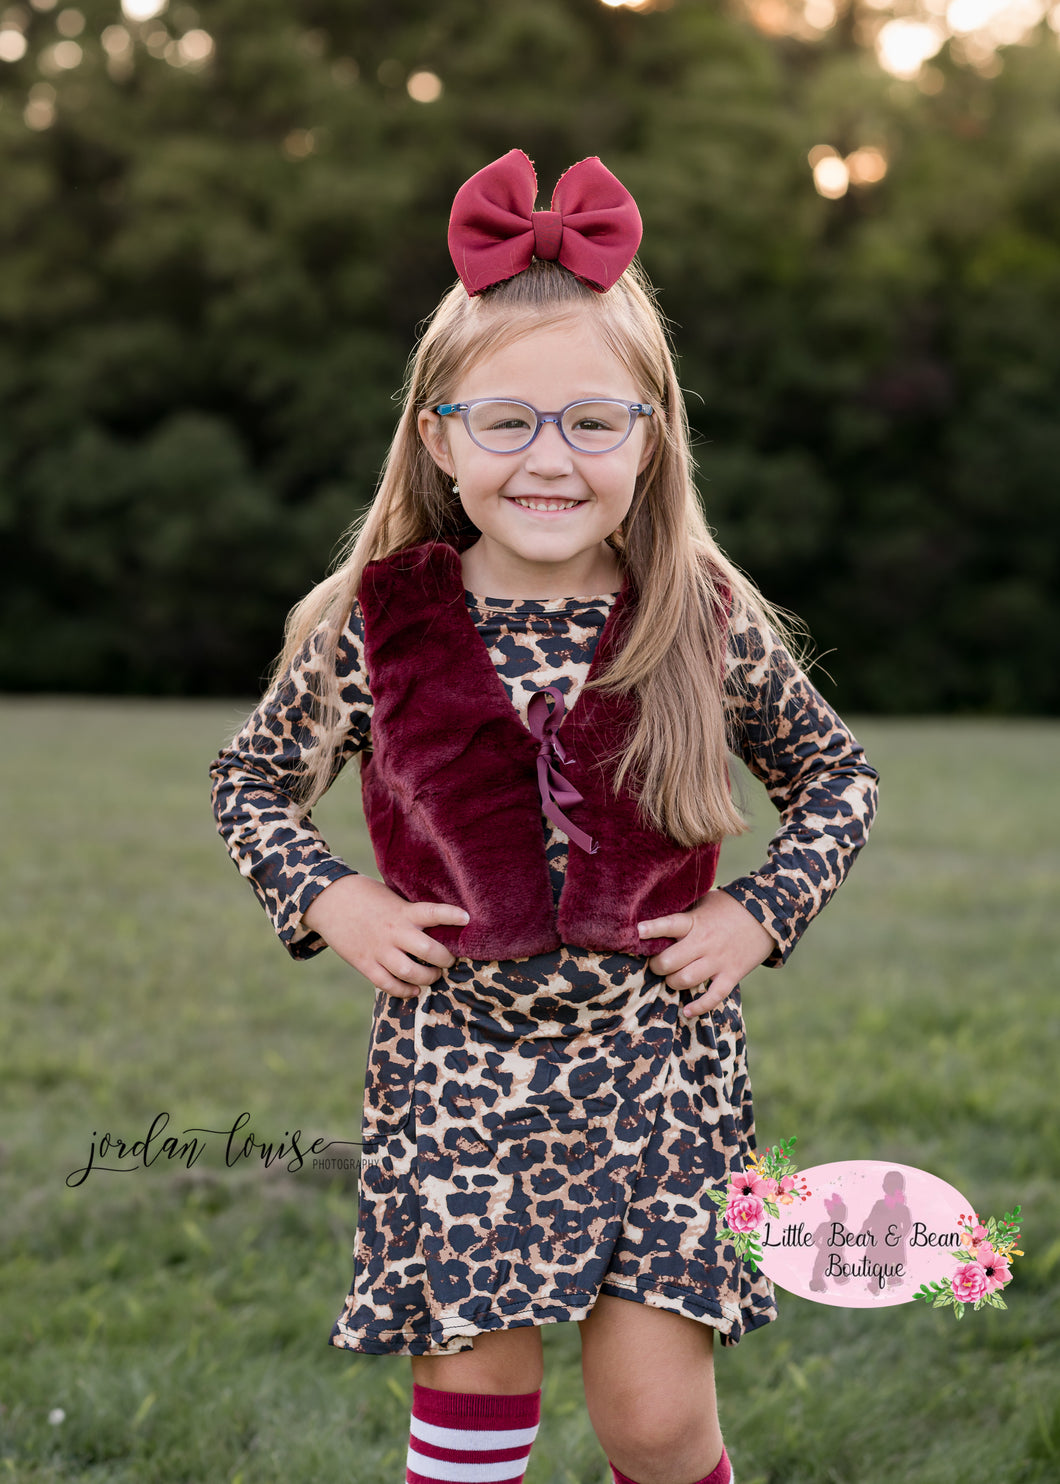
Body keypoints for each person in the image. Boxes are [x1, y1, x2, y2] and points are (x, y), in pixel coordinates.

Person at [210, 149, 878, 1484]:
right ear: (439, 437)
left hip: (660, 1077)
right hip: (461, 1077)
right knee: (471, 1418)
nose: (550, 460)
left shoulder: (705, 623)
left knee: (655, 1422)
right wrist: (331, 898)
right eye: (505, 422)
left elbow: (838, 782)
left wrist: (758, 914)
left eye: (593, 422)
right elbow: (250, 784)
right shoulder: (371, 626)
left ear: (651, 436)